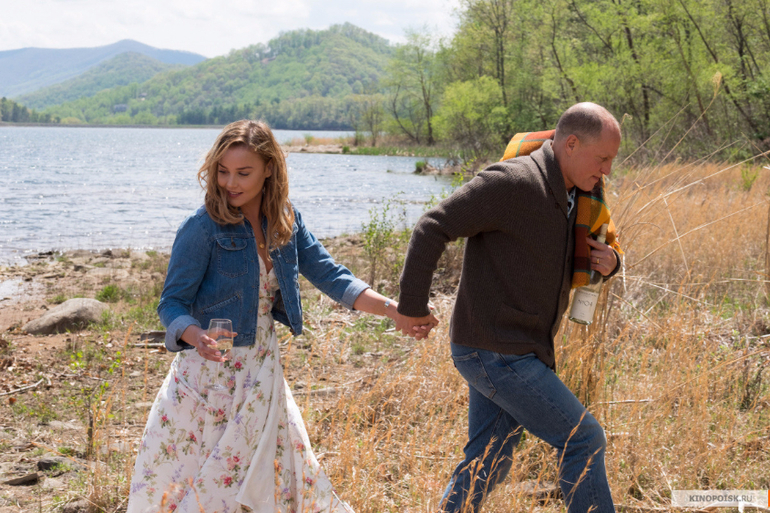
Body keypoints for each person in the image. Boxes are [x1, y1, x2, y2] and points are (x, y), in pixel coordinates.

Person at [127, 120, 427, 513]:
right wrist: (193, 334)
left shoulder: (286, 221)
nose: (230, 183)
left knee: (277, 472)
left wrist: (393, 310)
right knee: (202, 481)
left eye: (243, 172)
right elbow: (171, 303)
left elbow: (332, 276)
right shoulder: (202, 228)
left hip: (262, 368)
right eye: (222, 171)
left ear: (269, 169)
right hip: (209, 377)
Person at [395, 102, 623, 513]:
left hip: (518, 351)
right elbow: (432, 226)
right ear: (571, 144)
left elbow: (597, 245)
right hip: (494, 352)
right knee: (584, 440)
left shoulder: (579, 196)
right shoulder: (512, 182)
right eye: (602, 158)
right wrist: (412, 306)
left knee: (489, 460)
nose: (607, 170)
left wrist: (612, 262)